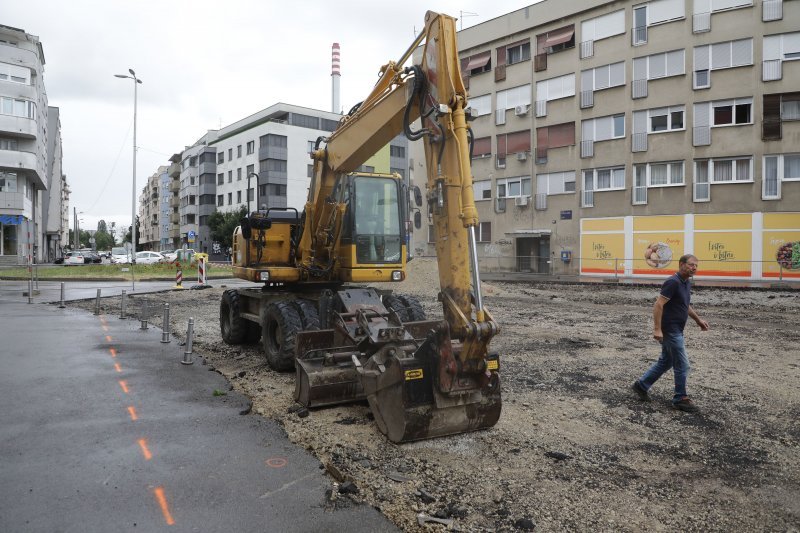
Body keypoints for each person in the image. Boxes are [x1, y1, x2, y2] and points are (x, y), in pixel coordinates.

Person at [631, 254, 710, 412]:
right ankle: (680, 398)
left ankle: (641, 385)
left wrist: (698, 320)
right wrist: (657, 329)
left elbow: (685, 305)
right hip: (670, 330)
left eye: (696, 265)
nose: (694, 268)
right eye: (691, 264)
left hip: (677, 329)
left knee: (666, 361)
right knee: (682, 364)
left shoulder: (686, 282)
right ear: (681, 264)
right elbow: (658, 305)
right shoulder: (672, 282)